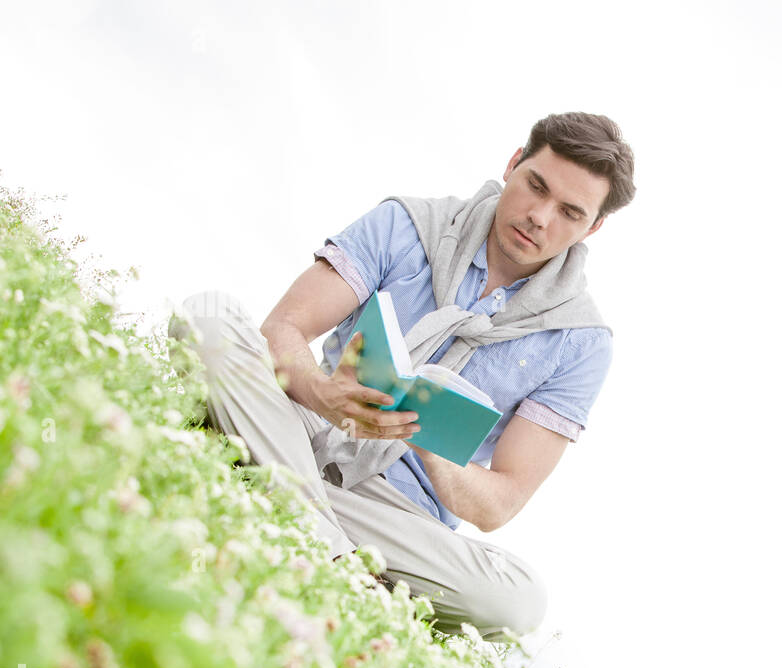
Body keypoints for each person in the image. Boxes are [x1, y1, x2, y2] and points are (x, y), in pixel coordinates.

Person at [170, 112, 636, 641]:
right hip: (304, 430)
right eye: (536, 186)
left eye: (570, 212)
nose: (539, 217)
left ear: (592, 228)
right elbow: (284, 328)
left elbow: (499, 503)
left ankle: (275, 493)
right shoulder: (406, 224)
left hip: (394, 514)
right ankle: (335, 558)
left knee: (520, 599)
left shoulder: (581, 342)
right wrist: (323, 394)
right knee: (207, 314)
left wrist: (429, 437)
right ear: (513, 164)